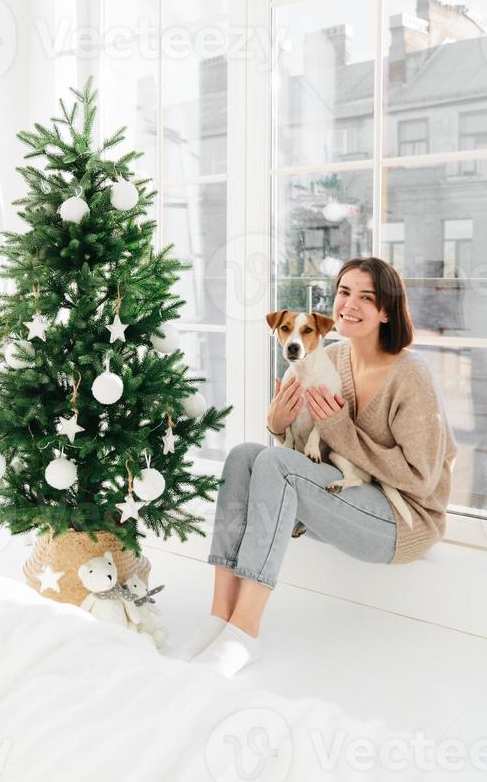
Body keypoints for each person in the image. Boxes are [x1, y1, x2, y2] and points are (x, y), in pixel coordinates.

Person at [172, 256, 457, 676]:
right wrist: (278, 422)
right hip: (344, 500)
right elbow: (306, 450)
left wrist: (339, 430)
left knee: (276, 465)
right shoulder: (330, 355)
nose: (349, 304)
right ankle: (221, 615)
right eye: (344, 292)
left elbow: (420, 477)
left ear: (385, 312)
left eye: (367, 297)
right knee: (244, 456)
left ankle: (245, 633)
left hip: (402, 519)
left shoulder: (409, 375)